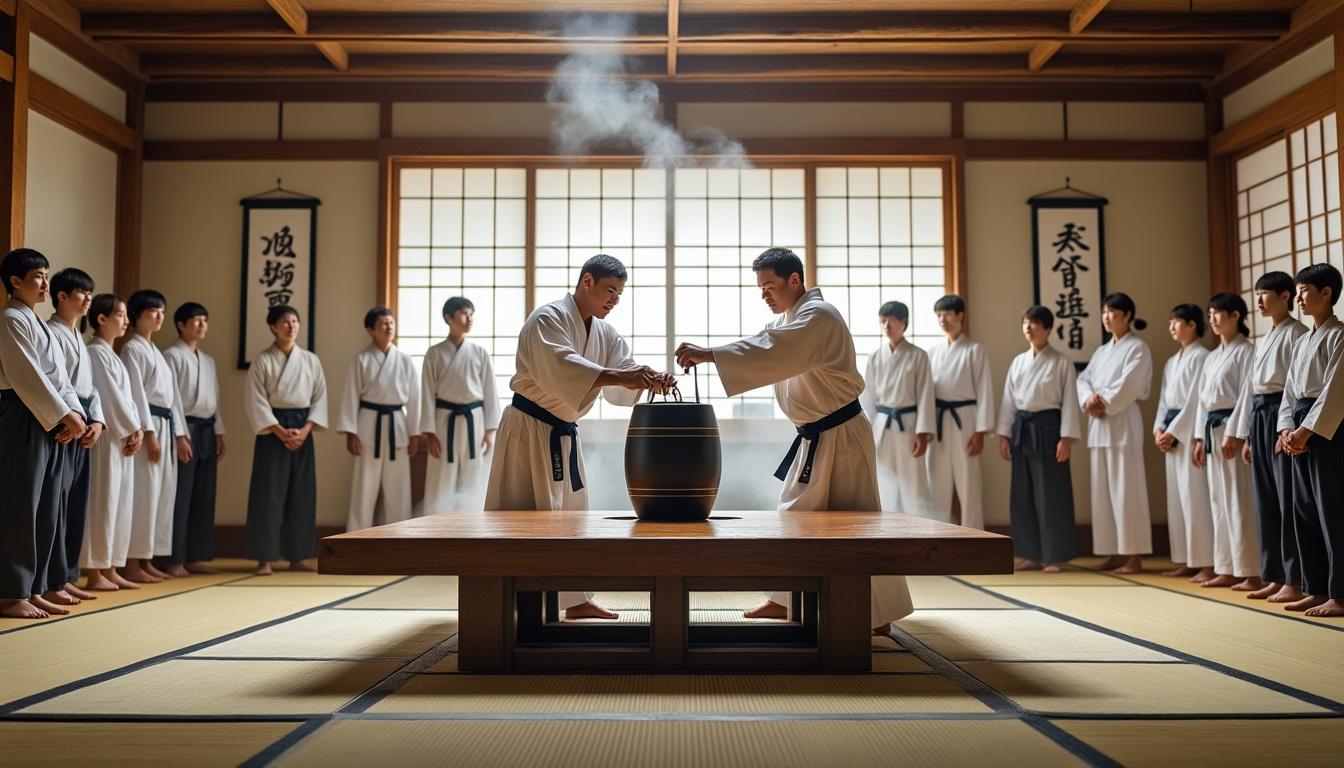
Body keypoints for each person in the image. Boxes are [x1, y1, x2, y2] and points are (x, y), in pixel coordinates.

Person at [676, 247, 914, 636]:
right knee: (799, 517)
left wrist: (710, 354)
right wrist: (713, 354)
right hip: (817, 436)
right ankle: (785, 596)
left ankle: (878, 614)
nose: (764, 294)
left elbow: (772, 350)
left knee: (856, 523)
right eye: (760, 288)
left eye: (769, 286)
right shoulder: (793, 318)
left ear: (795, 281)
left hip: (840, 434)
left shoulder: (818, 316)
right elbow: (764, 343)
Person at [485, 254, 672, 620]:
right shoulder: (547, 319)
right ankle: (511, 600)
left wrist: (648, 379)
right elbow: (561, 368)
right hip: (528, 429)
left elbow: (622, 379)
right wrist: (622, 376)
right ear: (587, 281)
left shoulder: (605, 333)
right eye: (609, 291)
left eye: (619, 295)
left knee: (572, 516)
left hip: (564, 433)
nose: (614, 300)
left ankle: (575, 599)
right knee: (525, 516)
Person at [0, 248, 87, 619]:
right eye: (37, 276)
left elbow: (61, 378)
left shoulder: (38, 324)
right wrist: (63, 416)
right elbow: (27, 377)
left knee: (47, 506)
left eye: (46, 276)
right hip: (21, 414)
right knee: (21, 503)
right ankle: (11, 592)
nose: (45, 284)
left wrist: (74, 415)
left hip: (49, 418)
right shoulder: (11, 319)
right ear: (15, 281)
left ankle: (34, 588)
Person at [1232, 272, 1307, 602]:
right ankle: (1273, 574)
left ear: (1286, 296)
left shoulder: (1297, 333)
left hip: (1281, 414)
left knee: (1286, 499)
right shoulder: (1267, 336)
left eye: (1265, 294)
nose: (1259, 301)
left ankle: (1293, 577)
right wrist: (1249, 435)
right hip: (1260, 415)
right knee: (1264, 501)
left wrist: (1283, 427)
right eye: (1257, 294)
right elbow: (1253, 390)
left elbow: (1292, 386)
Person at [1277, 263, 1344, 617]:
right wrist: (1286, 428)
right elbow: (1289, 392)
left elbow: (1336, 391)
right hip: (1300, 424)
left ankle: (1339, 592)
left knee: (1331, 510)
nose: (1299, 297)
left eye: (1304, 290)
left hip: (1326, 430)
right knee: (1304, 510)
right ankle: (1315, 587)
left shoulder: (1340, 335)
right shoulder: (1304, 340)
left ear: (1326, 293)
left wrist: (1306, 430)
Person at [243, 305, 328, 576]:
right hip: (273, 430)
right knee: (268, 494)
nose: (291, 326)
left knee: (302, 494)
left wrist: (305, 430)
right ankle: (264, 558)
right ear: (272, 327)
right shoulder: (263, 360)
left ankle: (298, 555)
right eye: (285, 322)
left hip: (303, 428)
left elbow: (319, 398)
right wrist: (279, 430)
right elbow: (255, 399)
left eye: (295, 321)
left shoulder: (311, 360)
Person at [996, 306, 1080, 573]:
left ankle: (1054, 555)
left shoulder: (1061, 361)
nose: (1028, 328)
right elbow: (1008, 400)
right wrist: (1004, 434)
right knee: (1022, 492)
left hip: (1049, 428)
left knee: (1051, 493)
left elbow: (1069, 401)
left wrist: (1066, 437)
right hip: (1021, 426)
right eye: (1025, 323)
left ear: (1047, 328)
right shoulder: (1019, 361)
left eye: (1033, 323)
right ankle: (1030, 552)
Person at [1076, 292, 1153, 574]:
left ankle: (1133, 555)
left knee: (1126, 491)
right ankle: (1112, 551)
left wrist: (1102, 401)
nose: (1107, 317)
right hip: (1099, 424)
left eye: (1113, 312)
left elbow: (1129, 385)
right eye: (1104, 312)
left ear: (1128, 316)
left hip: (1122, 421)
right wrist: (1088, 399)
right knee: (1103, 493)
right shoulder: (1101, 351)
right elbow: (1083, 378)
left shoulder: (1138, 348)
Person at [1190, 293, 1259, 590]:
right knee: (1218, 501)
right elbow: (1201, 401)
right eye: (1210, 314)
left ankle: (1251, 570)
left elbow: (1248, 396)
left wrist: (1235, 433)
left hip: (1232, 427)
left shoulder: (1247, 351)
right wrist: (1197, 438)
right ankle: (1227, 567)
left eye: (1219, 313)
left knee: (1238, 500)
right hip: (1211, 429)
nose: (1214, 320)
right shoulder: (1212, 356)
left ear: (1235, 316)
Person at [121, 290, 188, 584]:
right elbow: (135, 395)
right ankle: (132, 563)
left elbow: (173, 400)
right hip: (148, 425)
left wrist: (179, 435)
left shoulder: (156, 352)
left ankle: (146, 560)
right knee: (144, 494)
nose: (159, 316)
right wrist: (149, 432)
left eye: (162, 311)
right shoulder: (132, 349)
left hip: (165, 425)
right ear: (136, 316)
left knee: (161, 494)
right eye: (152, 312)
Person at [47, 268, 105, 604]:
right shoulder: (51, 333)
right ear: (62, 296)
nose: (87, 298)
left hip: (82, 422)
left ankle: (68, 575)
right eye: (81, 293)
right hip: (65, 423)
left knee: (75, 504)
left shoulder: (78, 339)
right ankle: (54, 578)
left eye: (89, 293)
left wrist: (96, 420)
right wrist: (76, 419)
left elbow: (90, 388)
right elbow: (59, 384)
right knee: (58, 504)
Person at [337, 307, 421, 530]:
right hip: (368, 425)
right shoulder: (361, 359)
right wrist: (350, 431)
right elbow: (351, 395)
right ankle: (356, 537)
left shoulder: (404, 360)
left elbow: (414, 399)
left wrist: (414, 433)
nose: (389, 327)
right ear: (371, 330)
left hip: (397, 425)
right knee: (364, 487)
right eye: (383, 323)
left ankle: (400, 536)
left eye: (391, 323)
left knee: (399, 488)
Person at [81, 294, 144, 592]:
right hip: (107, 437)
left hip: (122, 437)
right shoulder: (95, 352)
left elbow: (129, 400)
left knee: (120, 504)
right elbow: (108, 397)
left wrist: (137, 430)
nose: (126, 321)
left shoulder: (111, 354)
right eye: (121, 315)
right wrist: (131, 428)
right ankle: (94, 571)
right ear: (102, 318)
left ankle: (112, 567)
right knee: (104, 502)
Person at [162, 301, 226, 575]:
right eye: (196, 320)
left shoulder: (208, 360)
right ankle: (174, 558)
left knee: (203, 495)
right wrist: (179, 435)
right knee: (181, 494)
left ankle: (195, 556)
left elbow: (215, 401)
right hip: (185, 428)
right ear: (180, 324)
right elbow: (171, 400)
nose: (202, 325)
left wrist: (219, 433)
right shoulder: (171, 356)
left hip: (207, 429)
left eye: (205, 320)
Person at [420, 297, 499, 514]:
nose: (469, 319)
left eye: (472, 315)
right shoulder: (435, 353)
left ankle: (474, 529)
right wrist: (429, 433)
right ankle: (435, 529)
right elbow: (426, 393)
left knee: (473, 476)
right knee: (441, 477)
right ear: (449, 318)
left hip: (475, 420)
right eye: (465, 314)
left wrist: (491, 431)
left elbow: (490, 392)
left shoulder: (480, 353)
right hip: (444, 421)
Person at [1153, 304, 1214, 582]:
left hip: (1189, 432)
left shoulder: (1202, 356)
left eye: (1176, 322)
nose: (1171, 327)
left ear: (1192, 324)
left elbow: (1195, 401)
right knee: (1177, 499)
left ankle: (1205, 563)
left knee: (1194, 497)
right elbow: (1165, 400)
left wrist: (1175, 431)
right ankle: (1186, 558)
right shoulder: (1171, 361)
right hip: (1171, 431)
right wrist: (1160, 429)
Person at [858, 300, 935, 519]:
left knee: (915, 483)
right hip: (881, 426)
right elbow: (868, 397)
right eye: (882, 321)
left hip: (909, 424)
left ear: (903, 322)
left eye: (891, 320)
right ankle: (885, 532)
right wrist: (866, 432)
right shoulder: (875, 357)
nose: (886, 325)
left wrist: (923, 433)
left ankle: (920, 532)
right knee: (883, 482)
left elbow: (926, 395)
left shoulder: (919, 355)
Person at [926, 295, 994, 529]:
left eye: (947, 314)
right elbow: (925, 394)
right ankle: (937, 539)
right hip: (937, 421)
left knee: (969, 484)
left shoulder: (975, 350)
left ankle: (974, 539)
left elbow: (985, 390)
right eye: (938, 315)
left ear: (960, 316)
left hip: (966, 420)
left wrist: (981, 432)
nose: (942, 319)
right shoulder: (932, 352)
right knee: (937, 484)